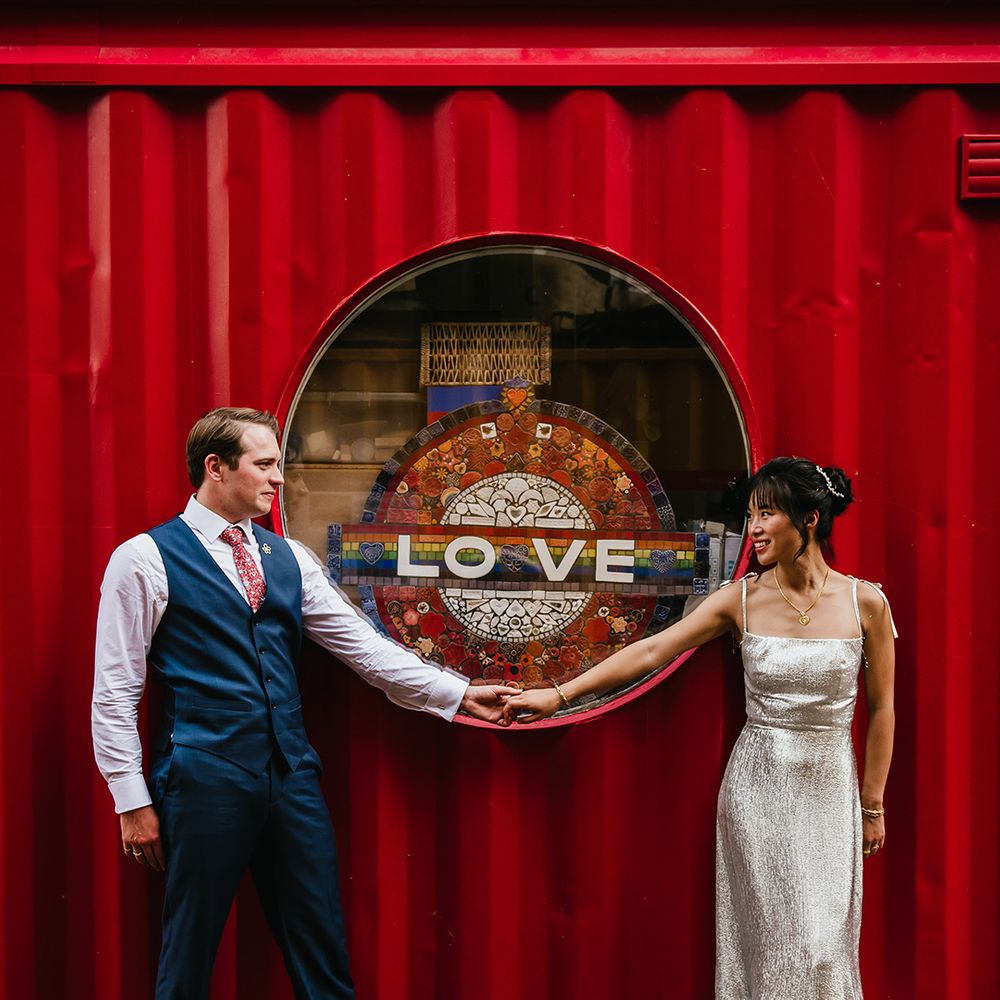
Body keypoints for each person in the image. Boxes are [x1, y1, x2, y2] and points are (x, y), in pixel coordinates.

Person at [92, 407, 514, 1000]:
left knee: (321, 950)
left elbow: (364, 650)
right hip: (203, 775)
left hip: (291, 777)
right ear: (215, 468)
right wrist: (130, 800)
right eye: (264, 465)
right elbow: (115, 689)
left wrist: (460, 693)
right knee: (188, 955)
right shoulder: (144, 559)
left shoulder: (289, 560)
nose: (279, 480)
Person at [502, 457, 896, 999]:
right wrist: (559, 694)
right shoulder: (741, 600)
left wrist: (871, 804)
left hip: (831, 792)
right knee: (771, 946)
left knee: (823, 946)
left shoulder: (865, 603)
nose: (753, 528)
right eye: (750, 515)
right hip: (759, 791)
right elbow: (654, 648)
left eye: (768, 515)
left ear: (809, 519)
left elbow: (882, 708)